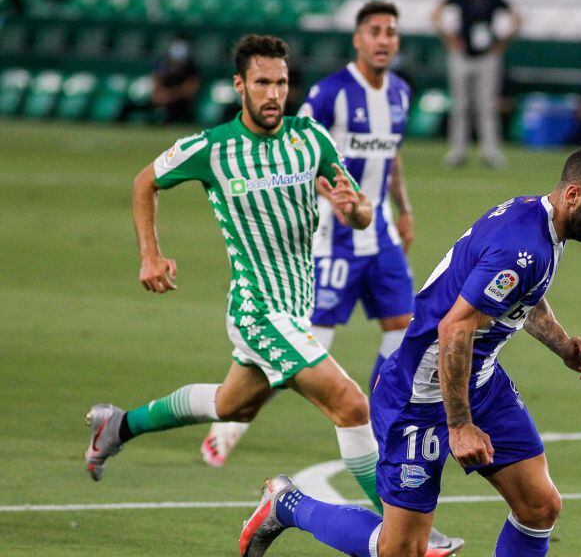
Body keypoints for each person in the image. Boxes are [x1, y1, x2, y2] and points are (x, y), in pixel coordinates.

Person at [239, 142, 581, 557]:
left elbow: (522, 296)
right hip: (422, 395)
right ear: (573, 195)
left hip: (480, 378)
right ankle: (288, 505)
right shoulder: (522, 246)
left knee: (540, 506)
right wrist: (460, 426)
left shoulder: (538, 223)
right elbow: (455, 328)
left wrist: (564, 346)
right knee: (400, 551)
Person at [199, 3, 464, 557]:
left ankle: (382, 422)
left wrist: (403, 207)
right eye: (375, 31)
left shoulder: (401, 93)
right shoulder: (328, 94)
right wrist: (326, 200)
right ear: (357, 39)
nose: (384, 40)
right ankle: (228, 426)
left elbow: (391, 157)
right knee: (309, 341)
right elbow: (296, 153)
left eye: (392, 32)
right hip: (330, 238)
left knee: (407, 331)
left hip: (379, 234)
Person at [83, 36, 379, 499]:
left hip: (296, 307)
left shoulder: (311, 139)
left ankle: (118, 426)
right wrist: (150, 254)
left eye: (281, 83)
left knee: (231, 406)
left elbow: (360, 212)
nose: (274, 94)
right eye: (262, 83)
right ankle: (404, 525)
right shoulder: (213, 148)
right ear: (239, 85)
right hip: (257, 310)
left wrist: (353, 209)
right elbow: (145, 182)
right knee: (350, 403)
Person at [431, 0, 520, 168]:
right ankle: (458, 151)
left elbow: (516, 18)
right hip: (462, 55)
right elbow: (436, 14)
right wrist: (449, 39)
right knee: (460, 105)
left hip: (487, 56)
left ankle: (490, 151)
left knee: (487, 105)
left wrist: (501, 43)